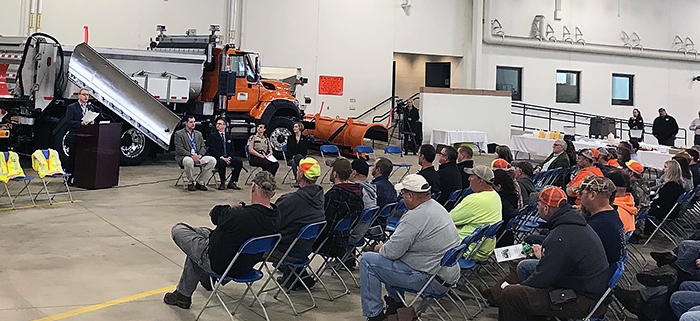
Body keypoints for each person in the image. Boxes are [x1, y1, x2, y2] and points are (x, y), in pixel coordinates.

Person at [163, 171, 279, 309]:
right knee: (202, 235)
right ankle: (185, 294)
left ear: (253, 187)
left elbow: (214, 214)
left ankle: (186, 293)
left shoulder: (238, 215)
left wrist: (232, 207)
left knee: (179, 230)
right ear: (273, 193)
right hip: (244, 265)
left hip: (220, 263)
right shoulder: (276, 217)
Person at [496, 186, 610, 321]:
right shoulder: (575, 225)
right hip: (585, 288)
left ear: (546, 209)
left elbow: (544, 277)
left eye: (538, 205)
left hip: (581, 300)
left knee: (511, 295)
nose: (537, 208)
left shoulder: (560, 236)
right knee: (525, 267)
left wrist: (521, 287)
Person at [360, 174, 460, 321]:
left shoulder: (414, 217)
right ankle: (396, 304)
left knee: (368, 261)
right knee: (394, 259)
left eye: (403, 194)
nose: (401, 197)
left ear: (411, 196)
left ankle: (374, 315)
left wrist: (380, 248)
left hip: (430, 279)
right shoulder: (437, 208)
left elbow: (391, 252)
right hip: (443, 275)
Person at [270, 158, 325, 288]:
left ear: (300, 174)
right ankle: (298, 276)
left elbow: (272, 223)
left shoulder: (291, 201)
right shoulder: (321, 197)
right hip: (306, 248)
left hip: (288, 250)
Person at [450, 165, 501, 261]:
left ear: (480, 181)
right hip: (484, 247)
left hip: (467, 248)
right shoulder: (495, 196)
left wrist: (460, 224)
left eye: (471, 176)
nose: (469, 179)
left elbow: (447, 220)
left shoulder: (474, 199)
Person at [315, 158, 364, 257]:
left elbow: (326, 226)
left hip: (331, 244)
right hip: (347, 240)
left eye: (331, 170)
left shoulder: (333, 196)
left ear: (335, 174)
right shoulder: (358, 192)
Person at [575, 175, 626, 265]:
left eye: (581, 194)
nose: (578, 198)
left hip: (592, 274)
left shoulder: (597, 226)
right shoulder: (612, 215)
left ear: (592, 195)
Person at [60, 88, 99, 175]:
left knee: (84, 158)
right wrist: (80, 123)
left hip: (86, 137)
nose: (86, 97)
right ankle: (69, 176)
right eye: (84, 95)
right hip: (75, 136)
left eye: (87, 95)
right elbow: (68, 122)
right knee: (73, 158)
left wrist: (92, 122)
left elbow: (92, 118)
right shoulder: (72, 107)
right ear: (79, 96)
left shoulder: (90, 107)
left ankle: (81, 176)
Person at [174, 115, 217, 191]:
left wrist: (200, 155)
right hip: (186, 156)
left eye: (194, 122)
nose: (193, 124)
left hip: (198, 156)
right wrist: (191, 155)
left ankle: (200, 182)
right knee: (188, 161)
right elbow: (179, 149)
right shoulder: (179, 134)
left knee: (212, 160)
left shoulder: (198, 134)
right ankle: (190, 182)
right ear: (186, 123)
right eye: (191, 122)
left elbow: (203, 146)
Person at [643, 160, 686, 235]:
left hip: (662, 212)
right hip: (669, 211)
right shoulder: (678, 184)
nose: (663, 169)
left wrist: (650, 200)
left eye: (666, 167)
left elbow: (662, 202)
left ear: (671, 170)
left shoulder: (670, 187)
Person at [207, 117, 243, 190]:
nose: (217, 125)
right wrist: (222, 157)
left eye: (220, 124)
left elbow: (232, 149)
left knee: (238, 162)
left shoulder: (228, 136)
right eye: (217, 124)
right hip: (218, 157)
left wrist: (229, 157)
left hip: (228, 157)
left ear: (224, 126)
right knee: (221, 163)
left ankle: (233, 182)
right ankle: (222, 182)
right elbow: (212, 149)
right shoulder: (213, 136)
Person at [494, 168, 520, 247]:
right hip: (507, 236)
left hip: (499, 238)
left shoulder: (501, 201)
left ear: (498, 186)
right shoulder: (513, 196)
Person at [285, 122, 309, 186]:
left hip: (300, 158)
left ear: (300, 128)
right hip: (291, 158)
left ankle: (303, 180)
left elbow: (304, 151)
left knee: (300, 159)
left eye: (296, 127)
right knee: (293, 162)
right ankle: (298, 180)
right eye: (294, 127)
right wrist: (293, 156)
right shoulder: (290, 138)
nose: (294, 128)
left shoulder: (304, 139)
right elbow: (289, 150)